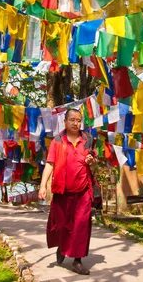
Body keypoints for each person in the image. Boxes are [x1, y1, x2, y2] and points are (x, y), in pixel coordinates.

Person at [38, 108, 96, 275]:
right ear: (65, 121)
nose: (75, 123)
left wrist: (91, 162)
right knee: (62, 224)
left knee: (81, 225)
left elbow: (94, 164)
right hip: (63, 191)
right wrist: (43, 185)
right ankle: (63, 247)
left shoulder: (88, 140)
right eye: (72, 120)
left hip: (83, 191)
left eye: (78, 120)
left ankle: (77, 261)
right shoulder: (57, 141)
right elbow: (50, 164)